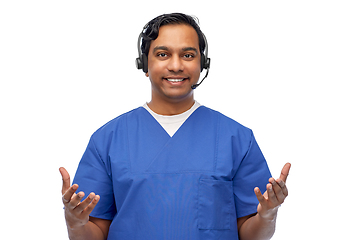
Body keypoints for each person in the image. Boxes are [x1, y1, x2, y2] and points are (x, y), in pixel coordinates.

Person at [60, 13, 291, 240]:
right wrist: (76, 223)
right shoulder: (108, 140)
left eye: (188, 55)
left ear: (202, 63)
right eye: (163, 54)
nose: (176, 65)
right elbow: (94, 234)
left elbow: (251, 236)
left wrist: (268, 215)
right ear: (144, 64)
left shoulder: (236, 139)